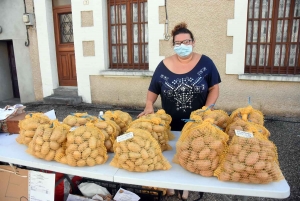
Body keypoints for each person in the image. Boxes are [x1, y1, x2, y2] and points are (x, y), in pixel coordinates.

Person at [138, 22, 221, 200]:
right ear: (173, 45)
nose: (182, 46)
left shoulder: (206, 63)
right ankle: (170, 183)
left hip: (197, 124)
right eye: (178, 43)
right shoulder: (164, 65)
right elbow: (153, 89)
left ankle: (186, 186)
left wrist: (208, 109)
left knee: (194, 154)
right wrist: (149, 104)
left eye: (186, 41)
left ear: (193, 42)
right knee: (170, 155)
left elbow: (214, 87)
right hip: (171, 122)